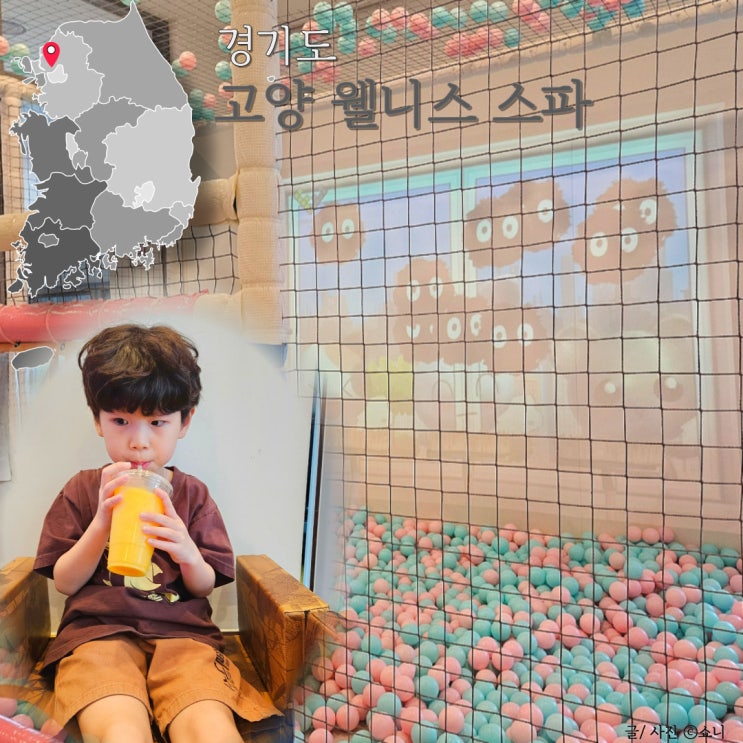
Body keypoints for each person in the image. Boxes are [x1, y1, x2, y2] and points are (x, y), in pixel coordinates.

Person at [34, 324, 279, 743]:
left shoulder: (193, 495)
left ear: (184, 422)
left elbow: (204, 586)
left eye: (157, 422)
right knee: (118, 727)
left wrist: (186, 550)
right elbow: (64, 582)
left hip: (184, 636)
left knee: (208, 727)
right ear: (97, 420)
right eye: (121, 420)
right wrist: (101, 522)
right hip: (97, 634)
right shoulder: (82, 489)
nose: (139, 443)